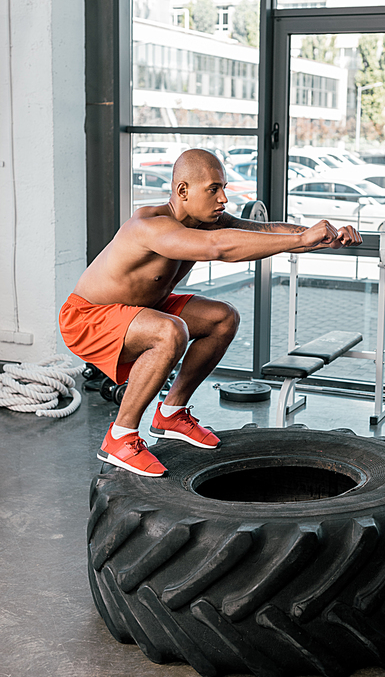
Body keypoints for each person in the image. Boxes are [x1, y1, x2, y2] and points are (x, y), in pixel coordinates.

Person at [59, 149, 362, 478]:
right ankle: (120, 436)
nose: (223, 200)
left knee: (222, 317)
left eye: (224, 188)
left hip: (145, 309)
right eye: (213, 189)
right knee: (170, 330)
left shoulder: (204, 219)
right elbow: (219, 247)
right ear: (183, 191)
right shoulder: (150, 226)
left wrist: (321, 239)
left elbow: (261, 232)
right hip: (88, 317)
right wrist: (303, 239)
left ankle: (171, 412)